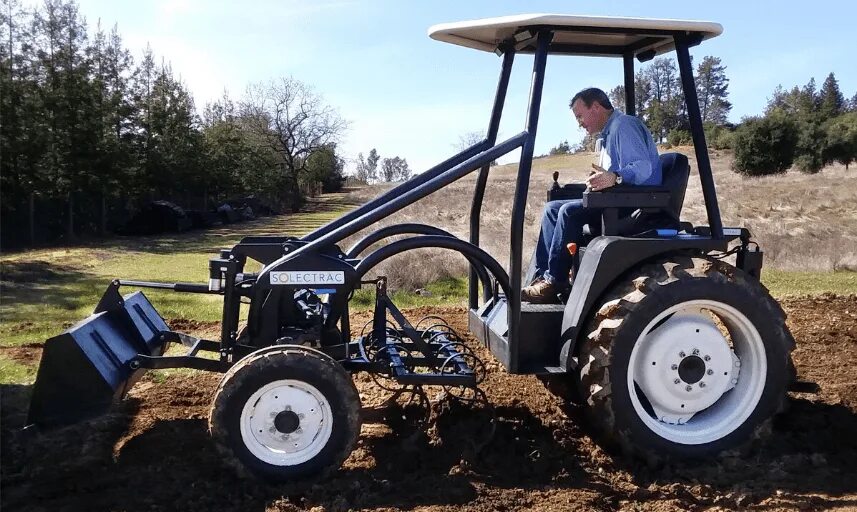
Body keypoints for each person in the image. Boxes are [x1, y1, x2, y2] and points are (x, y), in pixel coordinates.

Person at [522, 87, 661, 303]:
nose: (579, 122)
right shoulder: (607, 135)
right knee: (552, 208)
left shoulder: (623, 125)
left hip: (636, 204)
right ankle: (543, 277)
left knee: (568, 212)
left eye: (580, 116)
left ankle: (555, 280)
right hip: (618, 199)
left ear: (596, 107)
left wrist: (615, 177)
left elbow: (642, 168)